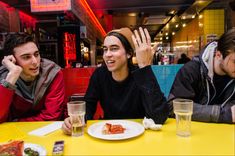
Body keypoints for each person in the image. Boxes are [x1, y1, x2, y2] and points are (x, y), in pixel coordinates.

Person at [62, 27, 169, 135]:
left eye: (114, 48)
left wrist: (145, 68)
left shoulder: (141, 75)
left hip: (139, 133)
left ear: (129, 53)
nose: (107, 54)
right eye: (105, 49)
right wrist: (75, 120)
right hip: (108, 134)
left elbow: (159, 117)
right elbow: (88, 107)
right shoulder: (99, 75)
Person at [169, 28, 235, 123]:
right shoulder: (191, 71)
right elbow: (174, 106)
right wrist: (223, 114)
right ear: (218, 55)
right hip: (195, 133)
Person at [0, 33, 65, 123]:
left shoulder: (52, 73)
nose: (35, 62)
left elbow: (51, 116)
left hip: (46, 131)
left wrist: (16, 122)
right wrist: (12, 76)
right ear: (12, 60)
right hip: (12, 134)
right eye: (26, 57)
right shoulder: (3, 77)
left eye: (36, 54)